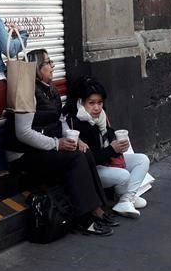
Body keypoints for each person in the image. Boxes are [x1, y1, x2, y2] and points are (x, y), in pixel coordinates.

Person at [2, 49, 116, 236]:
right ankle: (85, 218)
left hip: (43, 146)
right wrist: (56, 144)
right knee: (75, 159)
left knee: (84, 151)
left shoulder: (50, 89)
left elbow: (60, 120)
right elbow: (23, 133)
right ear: (37, 68)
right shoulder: (27, 91)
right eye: (48, 63)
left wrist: (73, 139)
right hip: (23, 154)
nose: (53, 66)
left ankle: (98, 207)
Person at [62, 76, 151, 218]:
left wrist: (118, 144)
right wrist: (112, 150)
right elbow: (88, 159)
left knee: (142, 160)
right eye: (91, 103)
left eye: (100, 102)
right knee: (124, 175)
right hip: (93, 170)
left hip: (108, 161)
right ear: (81, 102)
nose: (97, 107)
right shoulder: (75, 123)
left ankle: (127, 198)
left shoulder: (101, 117)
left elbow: (108, 139)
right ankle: (126, 197)